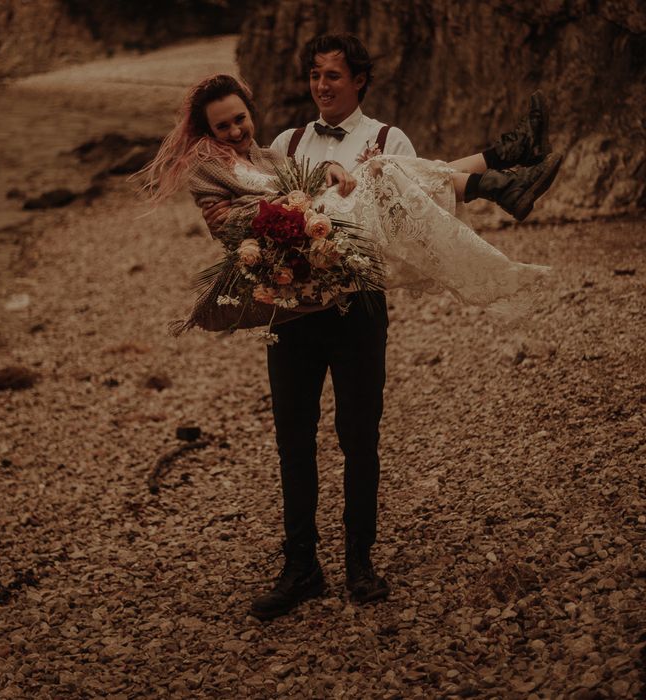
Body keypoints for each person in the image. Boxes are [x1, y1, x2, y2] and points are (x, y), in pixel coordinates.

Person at [142, 38, 558, 621]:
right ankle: (301, 567)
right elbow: (242, 216)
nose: (321, 85)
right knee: (293, 441)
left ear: (360, 80)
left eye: (333, 75)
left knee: (359, 438)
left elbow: (417, 219)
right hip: (290, 315)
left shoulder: (391, 138)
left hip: (357, 307)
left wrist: (344, 194)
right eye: (314, 74)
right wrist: (318, 194)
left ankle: (360, 562)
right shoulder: (282, 146)